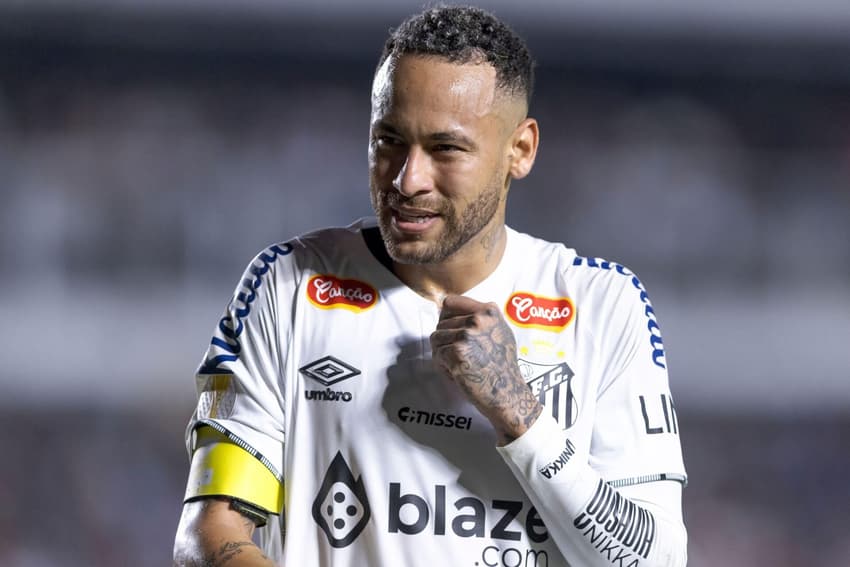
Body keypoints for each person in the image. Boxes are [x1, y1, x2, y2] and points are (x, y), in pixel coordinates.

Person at [173, 5, 688, 566]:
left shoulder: (603, 306)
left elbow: (653, 561)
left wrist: (519, 413)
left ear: (520, 150)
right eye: (389, 140)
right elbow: (209, 538)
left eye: (446, 149)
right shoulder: (289, 285)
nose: (407, 179)